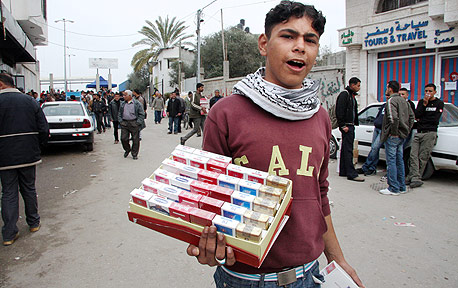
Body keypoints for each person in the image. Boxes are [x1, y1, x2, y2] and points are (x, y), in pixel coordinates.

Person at [185, 2, 364, 287]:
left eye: (310, 40)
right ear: (264, 44)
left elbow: (319, 195)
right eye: (288, 36)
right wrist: (206, 242)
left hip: (309, 275)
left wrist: (337, 258)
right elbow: (210, 199)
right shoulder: (227, 113)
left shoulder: (319, 116)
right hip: (244, 279)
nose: (300, 47)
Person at [0, 73, 49, 246]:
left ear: (1, 84)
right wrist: (38, 146)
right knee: (28, 188)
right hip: (28, 154)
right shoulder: (29, 101)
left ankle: (9, 233)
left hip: (4, 158)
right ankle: (34, 223)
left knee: (8, 192)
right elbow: (43, 128)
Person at [379, 81, 414, 196]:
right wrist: (406, 131)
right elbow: (411, 117)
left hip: (394, 136)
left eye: (387, 87)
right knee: (399, 161)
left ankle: (393, 187)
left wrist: (394, 133)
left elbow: (393, 118)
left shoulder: (391, 101)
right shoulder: (404, 101)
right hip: (402, 135)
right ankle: (401, 186)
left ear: (390, 88)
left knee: (392, 162)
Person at [406, 83, 444, 188]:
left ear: (435, 92)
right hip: (419, 132)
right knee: (413, 156)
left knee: (423, 157)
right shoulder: (422, 102)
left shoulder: (439, 103)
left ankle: (416, 178)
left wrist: (422, 120)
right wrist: (424, 105)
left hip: (430, 133)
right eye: (426, 91)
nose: (428, 93)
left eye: (430, 91)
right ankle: (412, 176)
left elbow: (434, 119)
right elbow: (417, 115)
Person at [335, 77, 364, 182]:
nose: (359, 88)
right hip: (347, 126)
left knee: (345, 149)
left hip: (350, 125)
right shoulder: (345, 95)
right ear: (352, 85)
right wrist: (342, 126)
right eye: (358, 85)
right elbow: (339, 110)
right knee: (348, 150)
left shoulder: (351, 96)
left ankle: (344, 170)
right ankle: (351, 173)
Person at [356, 102, 387, 176]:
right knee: (374, 149)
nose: (387, 96)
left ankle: (367, 166)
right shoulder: (384, 105)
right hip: (377, 128)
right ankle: (371, 167)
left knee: (375, 148)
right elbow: (379, 115)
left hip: (383, 130)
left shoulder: (393, 105)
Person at [118, 90, 145, 160]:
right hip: (125, 123)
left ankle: (134, 153)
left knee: (135, 139)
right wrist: (121, 121)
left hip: (134, 123)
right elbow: (119, 114)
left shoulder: (137, 103)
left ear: (129, 96)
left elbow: (141, 114)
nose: (123, 97)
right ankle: (127, 149)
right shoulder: (122, 104)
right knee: (123, 138)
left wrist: (138, 122)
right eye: (123, 95)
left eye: (125, 95)